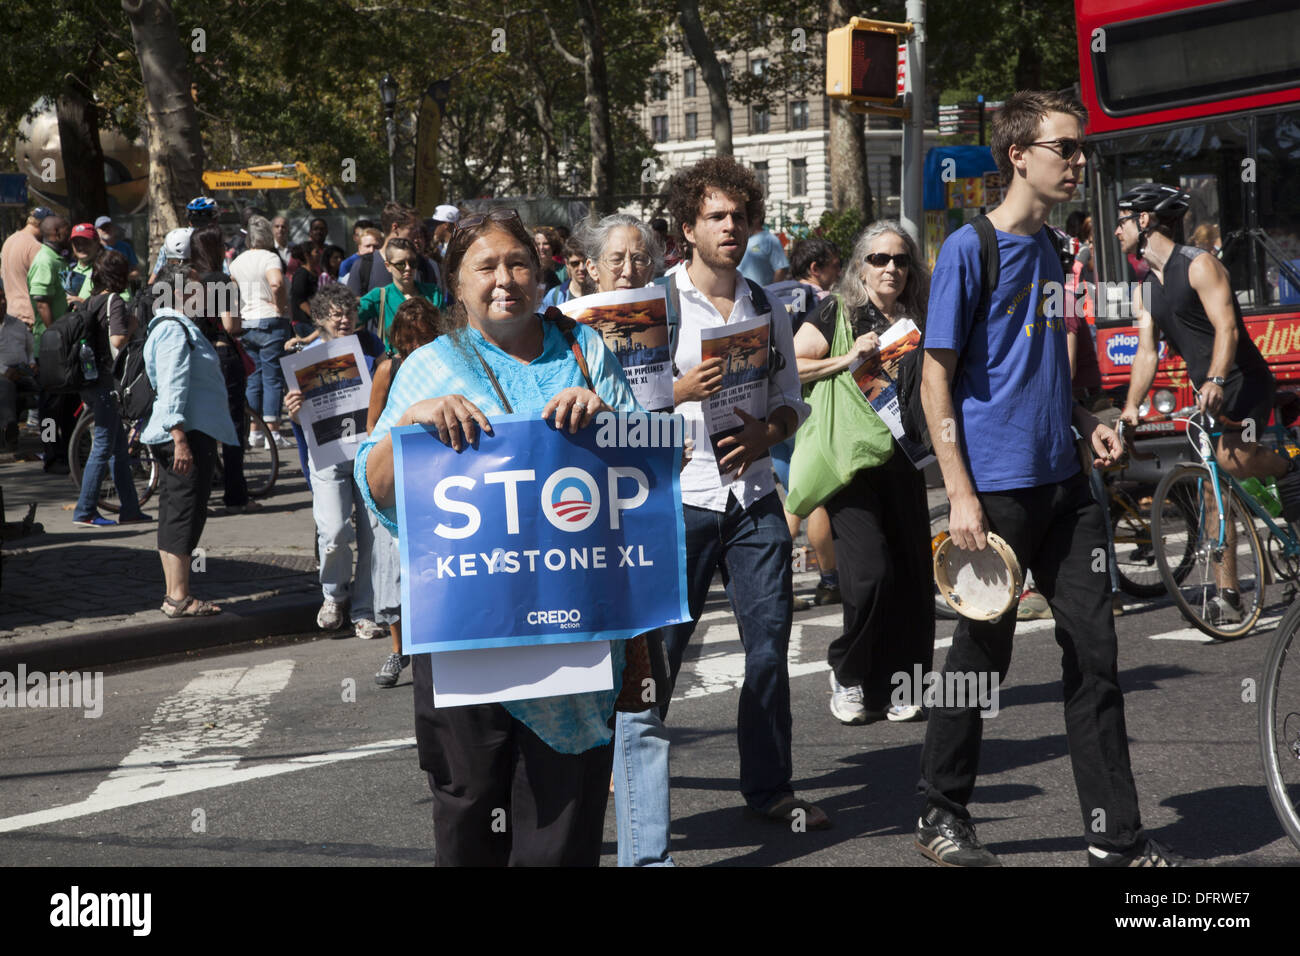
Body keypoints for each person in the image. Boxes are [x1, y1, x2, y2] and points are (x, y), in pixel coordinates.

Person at [916, 90, 1178, 867]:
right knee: (979, 657)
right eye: (1066, 147)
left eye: (1081, 149)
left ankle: (1115, 835)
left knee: (1095, 656)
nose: (1078, 161)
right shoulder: (971, 248)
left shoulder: (1059, 251)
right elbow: (938, 380)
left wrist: (1086, 413)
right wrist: (960, 492)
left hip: (1066, 485)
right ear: (1019, 156)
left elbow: (1044, 360)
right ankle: (940, 812)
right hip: (993, 492)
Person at [356, 207, 639, 866]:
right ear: (456, 283)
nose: (506, 279)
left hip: (574, 634)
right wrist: (413, 425)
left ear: (540, 274)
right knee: (469, 814)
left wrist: (608, 420)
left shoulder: (585, 350)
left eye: (519, 264)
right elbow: (375, 486)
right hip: (466, 637)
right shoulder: (427, 366)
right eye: (487, 266)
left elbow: (650, 464)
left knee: (562, 829)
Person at [654, 156, 826, 829]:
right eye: (716, 217)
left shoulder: (765, 303)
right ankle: (627, 763)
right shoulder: (659, 306)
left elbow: (790, 401)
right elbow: (622, 405)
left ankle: (770, 789)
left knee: (769, 647)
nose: (731, 227)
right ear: (689, 228)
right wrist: (678, 390)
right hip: (682, 500)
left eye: (739, 216)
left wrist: (767, 435)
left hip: (753, 500)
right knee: (664, 648)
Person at [1118, 182, 1300, 623]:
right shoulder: (1146, 287)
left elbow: (1228, 329)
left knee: (1230, 460)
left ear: (1145, 221)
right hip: (1208, 391)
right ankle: (1229, 596)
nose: (1117, 230)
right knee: (1212, 489)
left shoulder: (1200, 266)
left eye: (1122, 220)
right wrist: (1131, 407)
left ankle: (1291, 466)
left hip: (1243, 381)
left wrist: (1217, 378)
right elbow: (1146, 352)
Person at [794, 221, 934, 725]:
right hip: (850, 463)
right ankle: (849, 674)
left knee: (913, 578)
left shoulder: (922, 314)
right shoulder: (837, 311)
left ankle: (904, 682)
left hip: (907, 457)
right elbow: (791, 365)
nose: (890, 268)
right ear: (860, 266)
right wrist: (845, 358)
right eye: (879, 259)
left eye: (899, 259)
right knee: (871, 574)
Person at [575, 211, 676, 866]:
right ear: (587, 268)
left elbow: (650, 435)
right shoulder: (558, 335)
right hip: (564, 547)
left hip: (637, 530)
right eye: (617, 260)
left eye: (641, 259)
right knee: (574, 711)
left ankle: (650, 858)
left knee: (640, 702)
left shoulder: (671, 318)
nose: (631, 270)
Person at [284, 284, 385, 641]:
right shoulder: (304, 361)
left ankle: (365, 609)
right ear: (320, 317)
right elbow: (302, 423)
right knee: (334, 532)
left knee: (373, 535)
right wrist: (294, 413)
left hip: (366, 454)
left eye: (349, 313)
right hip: (327, 457)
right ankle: (334, 596)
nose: (344, 319)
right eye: (335, 313)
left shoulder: (372, 351)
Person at [142, 264, 239, 618]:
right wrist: (179, 436)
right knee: (184, 512)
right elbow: (172, 385)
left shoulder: (177, 327)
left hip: (186, 432)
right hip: (184, 434)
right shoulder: (173, 329)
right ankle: (178, 595)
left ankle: (175, 595)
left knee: (176, 512)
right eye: (197, 290)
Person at [367, 297, 442, 687]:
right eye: (409, 340)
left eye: (424, 339)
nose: (416, 348)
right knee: (392, 571)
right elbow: (372, 428)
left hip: (438, 479)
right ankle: (398, 652)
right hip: (398, 479)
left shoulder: (445, 363)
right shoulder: (388, 369)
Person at [70, 250, 151, 528]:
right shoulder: (114, 301)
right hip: (108, 382)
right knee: (103, 446)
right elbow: (117, 340)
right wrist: (132, 324)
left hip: (92, 381)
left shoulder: (92, 300)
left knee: (117, 447)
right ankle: (85, 511)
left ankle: (129, 508)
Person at [783, 236, 843, 609]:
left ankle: (778, 586)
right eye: (835, 265)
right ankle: (829, 581)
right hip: (803, 413)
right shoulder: (823, 304)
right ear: (815, 269)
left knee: (793, 498)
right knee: (812, 497)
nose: (839, 271)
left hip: (767, 410)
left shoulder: (771, 295)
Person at [190, 223, 257, 515]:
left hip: (196, 357)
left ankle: (199, 495)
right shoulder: (223, 280)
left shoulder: (188, 280)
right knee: (232, 428)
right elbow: (231, 325)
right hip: (223, 355)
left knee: (202, 427)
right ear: (216, 249)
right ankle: (235, 495)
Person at [229, 215, 292, 449]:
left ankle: (255, 431)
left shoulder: (236, 261)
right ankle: (273, 432)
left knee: (253, 379)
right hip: (270, 321)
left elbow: (232, 290)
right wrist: (280, 305)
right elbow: (277, 283)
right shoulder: (270, 258)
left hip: (247, 323)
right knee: (273, 378)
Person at [29, 214, 77, 474]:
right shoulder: (45, 261)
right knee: (50, 407)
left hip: (65, 345)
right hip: (50, 350)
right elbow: (42, 302)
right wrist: (54, 335)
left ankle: (69, 452)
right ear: (56, 232)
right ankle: (50, 454)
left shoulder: (60, 259)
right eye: (67, 230)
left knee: (68, 404)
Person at [356, 237, 446, 349]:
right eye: (400, 264)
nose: (408, 268)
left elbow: (445, 330)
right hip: (397, 363)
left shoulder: (433, 293)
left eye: (412, 263)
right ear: (388, 266)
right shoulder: (380, 295)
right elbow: (351, 320)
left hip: (430, 360)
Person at [345, 202, 439, 297]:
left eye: (412, 264)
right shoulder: (363, 266)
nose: (416, 234)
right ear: (395, 227)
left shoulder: (424, 265)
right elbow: (353, 307)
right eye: (412, 228)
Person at [0, 281, 38, 451]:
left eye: (3, 298)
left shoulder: (17, 324)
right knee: (6, 387)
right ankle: (10, 429)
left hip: (23, 371)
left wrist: (31, 363)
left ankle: (50, 437)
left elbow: (30, 348)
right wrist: (5, 370)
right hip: (3, 374)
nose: (2, 302)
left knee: (50, 389)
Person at [148, 197, 217, 284]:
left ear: (189, 221)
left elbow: (152, 281)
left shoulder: (173, 240)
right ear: (215, 220)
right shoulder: (215, 243)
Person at [541, 235, 590, 307]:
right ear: (567, 263)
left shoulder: (600, 292)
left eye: (585, 262)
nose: (582, 268)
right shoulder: (554, 296)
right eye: (575, 263)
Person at [738, 217, 790, 286]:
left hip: (762, 294)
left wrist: (772, 292)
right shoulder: (741, 239)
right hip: (741, 294)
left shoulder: (770, 240)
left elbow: (781, 269)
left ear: (757, 217)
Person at [287, 242, 321, 343]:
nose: (319, 254)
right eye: (316, 252)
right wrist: (315, 316)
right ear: (307, 255)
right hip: (304, 322)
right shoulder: (301, 274)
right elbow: (300, 299)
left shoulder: (314, 273)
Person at [65, 223, 102, 303]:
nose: (81, 246)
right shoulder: (71, 271)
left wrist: (84, 303)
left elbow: (123, 301)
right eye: (76, 243)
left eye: (86, 242)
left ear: (97, 242)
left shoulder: (108, 268)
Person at [94, 216, 139, 280]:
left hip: (122, 288)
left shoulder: (125, 247)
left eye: (109, 227)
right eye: (103, 228)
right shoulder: (93, 249)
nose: (106, 230)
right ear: (96, 231)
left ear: (114, 228)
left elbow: (136, 272)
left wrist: (121, 278)